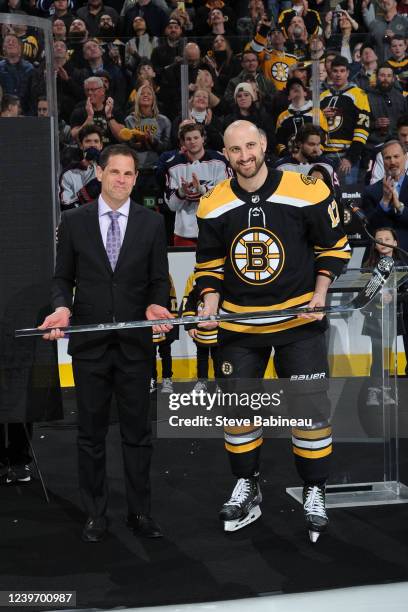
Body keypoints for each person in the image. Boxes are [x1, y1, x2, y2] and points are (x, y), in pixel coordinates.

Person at [195, 120, 351, 540]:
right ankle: (248, 484)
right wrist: (209, 306)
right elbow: (209, 267)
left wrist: (320, 294)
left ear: (264, 144)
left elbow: (335, 247)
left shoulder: (307, 189)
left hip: (298, 322)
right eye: (234, 150)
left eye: (250, 146)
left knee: (310, 413)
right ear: (223, 154)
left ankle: (315, 489)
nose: (244, 156)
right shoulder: (211, 203)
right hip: (239, 326)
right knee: (239, 412)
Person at [39, 144, 172, 543]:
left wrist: (155, 304)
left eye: (129, 174)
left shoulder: (151, 223)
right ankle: (95, 513)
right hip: (90, 346)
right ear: (99, 173)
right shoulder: (74, 221)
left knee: (137, 434)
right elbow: (62, 278)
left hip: (134, 346)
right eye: (115, 172)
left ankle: (140, 512)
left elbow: (158, 280)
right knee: (91, 435)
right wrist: (62, 308)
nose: (121, 180)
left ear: (135, 178)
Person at [164, 122, 230, 246]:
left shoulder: (220, 161)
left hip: (215, 229)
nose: (192, 142)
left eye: (196, 138)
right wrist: (181, 192)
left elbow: (226, 197)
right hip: (184, 233)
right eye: (188, 139)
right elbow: (172, 206)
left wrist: (202, 189)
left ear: (203, 138)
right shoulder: (172, 166)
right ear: (183, 142)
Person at [361, 227, 404, 405]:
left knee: (388, 355)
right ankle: (374, 392)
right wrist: (378, 296)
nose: (383, 241)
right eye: (379, 239)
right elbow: (363, 292)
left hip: (395, 316)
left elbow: (404, 291)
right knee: (378, 356)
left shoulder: (403, 265)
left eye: (387, 238)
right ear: (375, 244)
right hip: (374, 317)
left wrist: (394, 296)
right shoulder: (369, 267)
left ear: (395, 242)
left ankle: (386, 392)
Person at [362, 139, 408, 252]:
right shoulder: (370, 191)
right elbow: (370, 227)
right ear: (382, 161)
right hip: (381, 256)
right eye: (388, 158)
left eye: (396, 156)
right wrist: (385, 201)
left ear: (405, 157)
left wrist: (400, 207)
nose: (392, 161)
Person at [59, 123, 104, 209]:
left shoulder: (109, 170)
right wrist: (84, 194)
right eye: (88, 141)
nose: (92, 145)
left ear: (101, 145)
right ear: (81, 145)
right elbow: (66, 205)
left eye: (96, 141)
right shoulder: (68, 173)